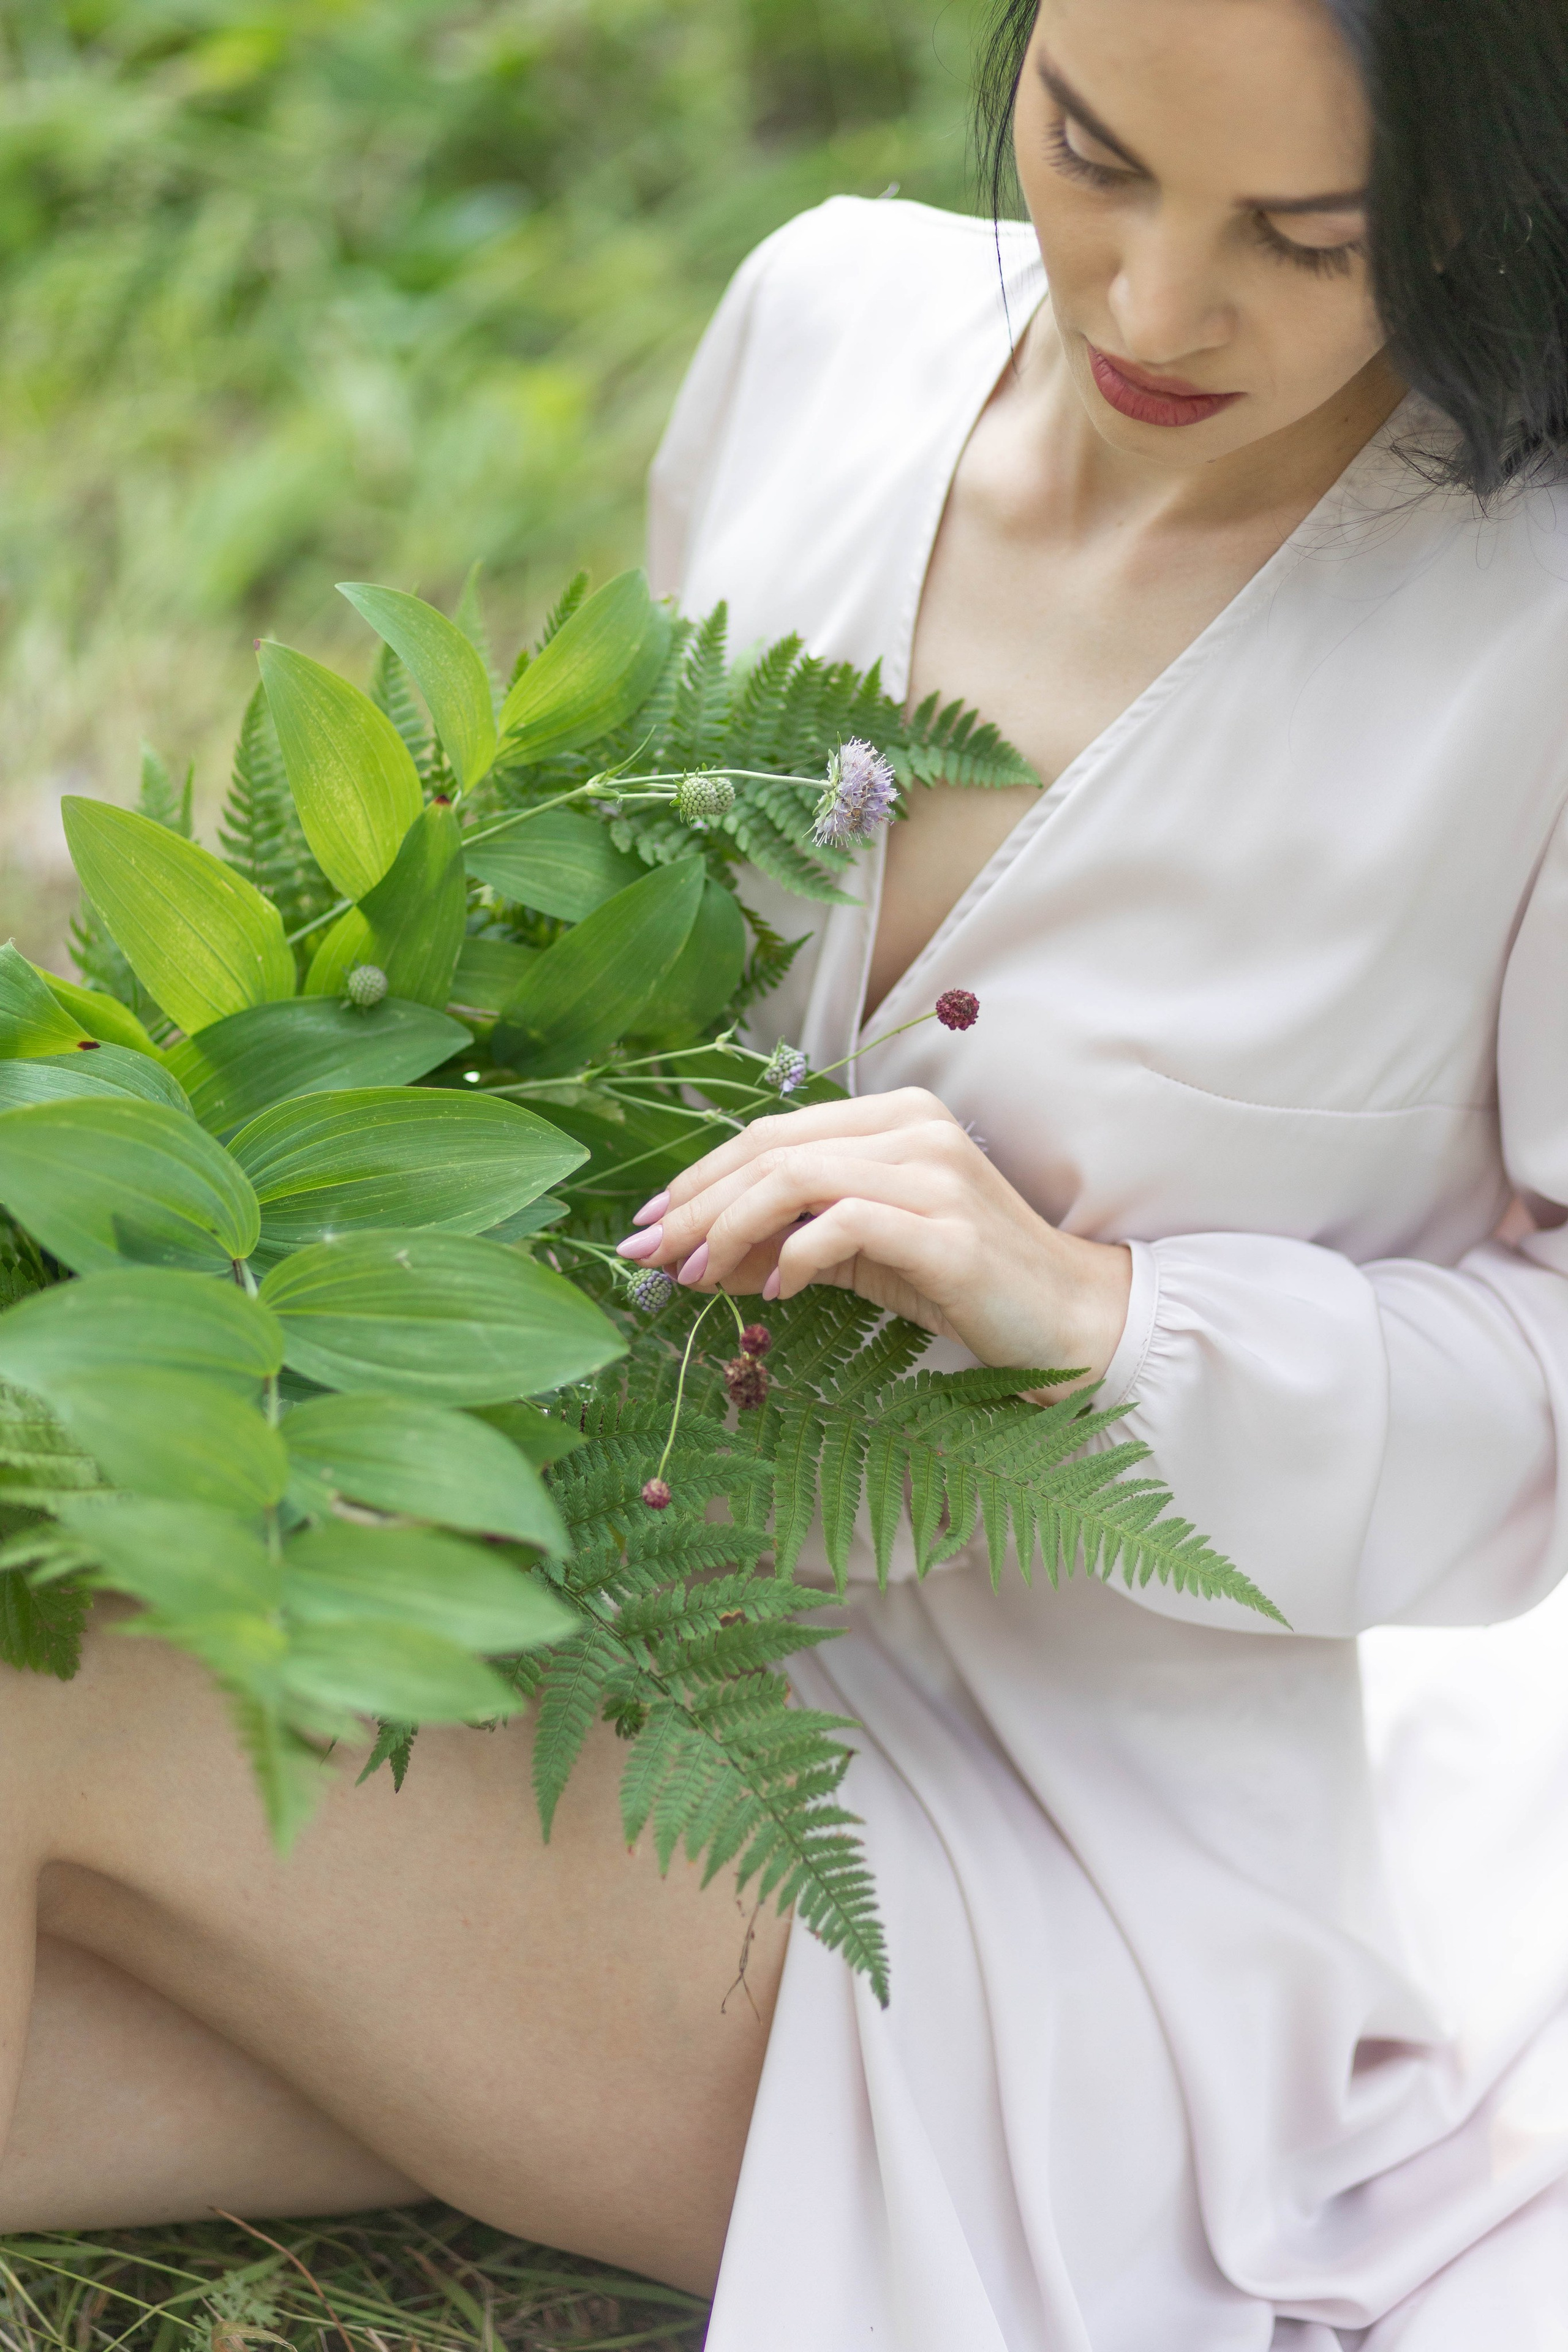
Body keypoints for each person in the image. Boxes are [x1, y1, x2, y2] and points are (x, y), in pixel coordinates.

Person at [4, 0, 1568, 2340]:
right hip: (545, 1616)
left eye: (1304, 237)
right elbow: (572, 968)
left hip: (1030, 1897)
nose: (1150, 304)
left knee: (43, 1670)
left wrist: (1098, 1321)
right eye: (1094, 152)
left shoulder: (1529, 643)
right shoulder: (830, 321)